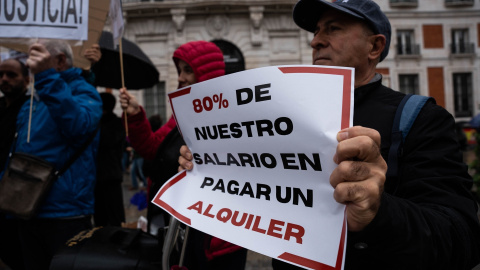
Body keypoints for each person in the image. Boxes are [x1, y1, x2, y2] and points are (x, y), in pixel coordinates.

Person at [178, 1, 480, 269]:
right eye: (316, 31)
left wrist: (380, 212)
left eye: (333, 29)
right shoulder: (284, 116)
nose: (316, 41)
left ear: (374, 47)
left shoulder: (422, 119)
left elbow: (461, 240)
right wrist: (209, 164)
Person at [119, 40, 247, 269]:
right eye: (180, 70)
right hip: (181, 227)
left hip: (216, 238)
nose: (180, 77)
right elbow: (151, 148)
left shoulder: (233, 119)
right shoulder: (181, 115)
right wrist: (137, 115)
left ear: (206, 74)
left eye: (188, 70)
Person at [0, 39, 102, 270]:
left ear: (60, 60)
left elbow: (78, 126)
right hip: (26, 207)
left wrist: (46, 77)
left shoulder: (84, 92)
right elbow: (19, 152)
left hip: (65, 212)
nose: (30, 62)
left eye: (39, 56)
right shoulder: (33, 98)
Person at [0, 58, 29, 270]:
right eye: (1, 75)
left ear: (26, 80)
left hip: (17, 194)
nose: (4, 79)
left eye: (11, 75)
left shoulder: (30, 109)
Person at [94, 92, 126, 227]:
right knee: (110, 216)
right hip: (110, 174)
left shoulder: (101, 124)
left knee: (105, 217)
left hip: (105, 175)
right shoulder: (116, 123)